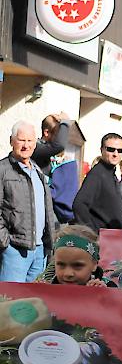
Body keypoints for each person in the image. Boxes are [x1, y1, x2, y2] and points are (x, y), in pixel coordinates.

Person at [0, 120, 56, 282]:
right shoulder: (3, 170)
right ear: (12, 141)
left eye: (30, 141)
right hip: (15, 251)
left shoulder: (37, 170)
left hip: (40, 251)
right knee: (9, 302)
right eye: (21, 140)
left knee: (32, 303)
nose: (26, 145)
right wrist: (5, 243)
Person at [73, 133, 122, 231]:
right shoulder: (97, 174)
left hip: (112, 238)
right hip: (102, 239)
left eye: (119, 150)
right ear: (102, 150)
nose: (115, 154)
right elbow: (79, 204)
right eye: (110, 149)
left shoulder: (111, 174)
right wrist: (92, 233)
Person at [49, 224, 115, 287]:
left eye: (77, 265)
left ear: (94, 264)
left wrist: (103, 295)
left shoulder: (109, 288)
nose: (68, 273)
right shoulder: (47, 288)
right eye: (61, 265)